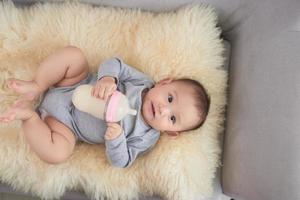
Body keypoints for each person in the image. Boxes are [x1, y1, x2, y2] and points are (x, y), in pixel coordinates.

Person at [0, 46, 210, 167]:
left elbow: (122, 162)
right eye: (170, 99)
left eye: (172, 119)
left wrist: (117, 138)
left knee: (58, 153)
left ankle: (29, 118)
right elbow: (115, 63)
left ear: (171, 133)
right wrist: (108, 78)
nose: (164, 109)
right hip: (74, 84)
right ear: (164, 82)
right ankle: (38, 85)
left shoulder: (146, 138)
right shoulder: (142, 83)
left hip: (66, 126)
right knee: (74, 56)